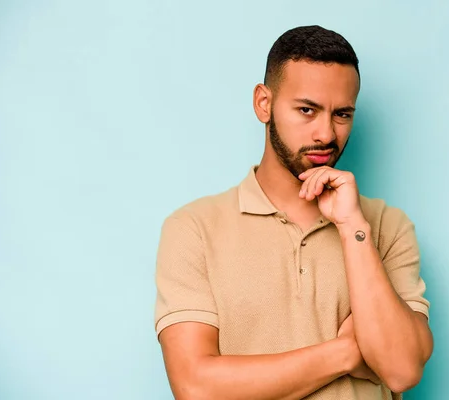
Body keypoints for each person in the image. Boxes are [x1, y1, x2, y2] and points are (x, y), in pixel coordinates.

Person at [153, 25, 433, 400]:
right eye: (307, 110)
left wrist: (352, 227)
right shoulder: (194, 228)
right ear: (263, 103)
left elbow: (400, 370)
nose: (326, 134)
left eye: (342, 114)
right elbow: (195, 387)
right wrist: (347, 351)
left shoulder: (385, 226)